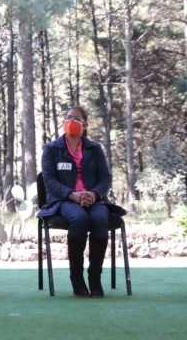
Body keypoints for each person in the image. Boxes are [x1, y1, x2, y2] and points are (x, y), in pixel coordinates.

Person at [38, 105, 118, 298]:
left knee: (100, 220)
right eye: (68, 117)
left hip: (93, 200)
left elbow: (105, 178)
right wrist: (72, 194)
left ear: (85, 125)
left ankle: (95, 278)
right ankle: (77, 278)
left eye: (77, 118)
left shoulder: (94, 148)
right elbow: (48, 180)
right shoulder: (52, 149)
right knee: (79, 219)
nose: (72, 121)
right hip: (63, 201)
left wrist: (94, 194)